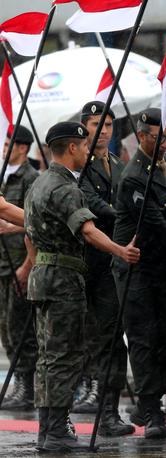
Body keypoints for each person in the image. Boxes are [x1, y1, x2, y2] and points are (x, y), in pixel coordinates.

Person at [24, 121, 139, 452]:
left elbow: (30, 233)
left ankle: (49, 429)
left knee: (48, 356)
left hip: (43, 276)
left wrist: (33, 264)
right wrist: (121, 250)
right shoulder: (66, 189)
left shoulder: (38, 183)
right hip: (63, 279)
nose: (88, 151)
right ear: (72, 147)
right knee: (66, 356)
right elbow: (88, 230)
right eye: (84, 146)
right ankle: (57, 429)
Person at [113, 108, 166, 439]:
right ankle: (151, 408)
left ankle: (150, 400)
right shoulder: (133, 175)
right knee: (144, 338)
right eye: (161, 138)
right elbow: (155, 223)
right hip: (139, 267)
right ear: (142, 137)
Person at [69, 102, 133, 437]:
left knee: (111, 339)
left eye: (108, 124)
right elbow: (90, 204)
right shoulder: (78, 167)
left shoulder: (120, 167)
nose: (104, 131)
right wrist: (123, 213)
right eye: (96, 124)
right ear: (84, 128)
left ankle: (108, 411)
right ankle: (66, 408)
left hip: (112, 265)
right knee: (75, 338)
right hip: (83, 263)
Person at [0, 126, 39, 411]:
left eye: (8, 143)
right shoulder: (2, 176)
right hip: (1, 264)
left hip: (19, 262)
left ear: (23, 148)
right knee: (5, 328)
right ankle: (19, 383)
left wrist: (28, 265)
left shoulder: (31, 178)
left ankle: (27, 386)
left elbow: (36, 224)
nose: (3, 148)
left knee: (20, 328)